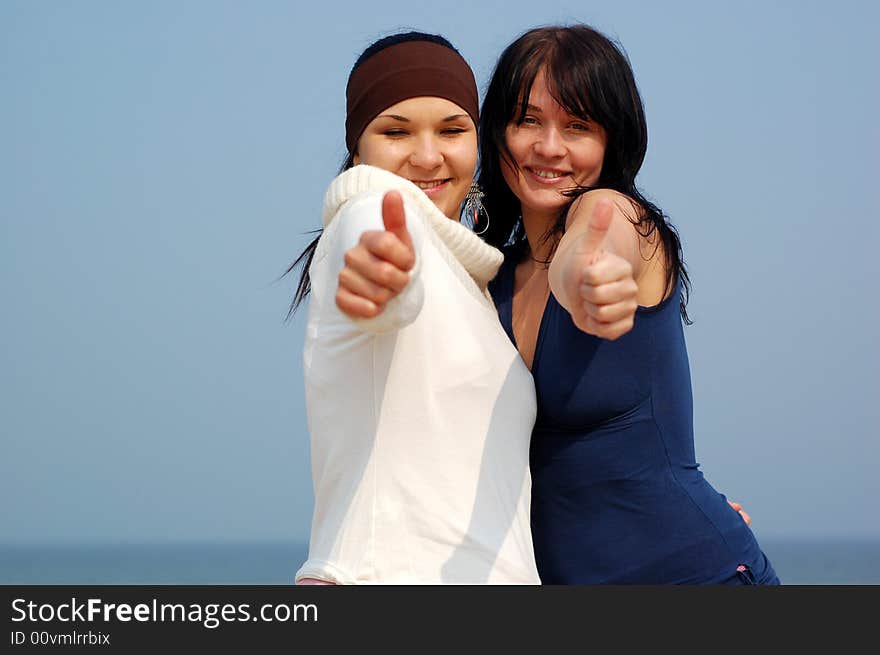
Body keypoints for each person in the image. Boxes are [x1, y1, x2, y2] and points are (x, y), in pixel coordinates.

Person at [339, 25, 777, 585]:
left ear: (611, 142)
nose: (549, 147)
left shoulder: (622, 221)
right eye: (528, 120)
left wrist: (589, 276)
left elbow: (593, 245)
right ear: (495, 131)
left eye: (578, 126)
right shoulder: (487, 279)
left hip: (694, 574)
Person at [288, 32, 540, 584]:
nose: (428, 156)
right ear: (359, 150)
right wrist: (381, 276)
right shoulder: (372, 215)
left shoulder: (475, 280)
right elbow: (378, 258)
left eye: (452, 130)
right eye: (395, 131)